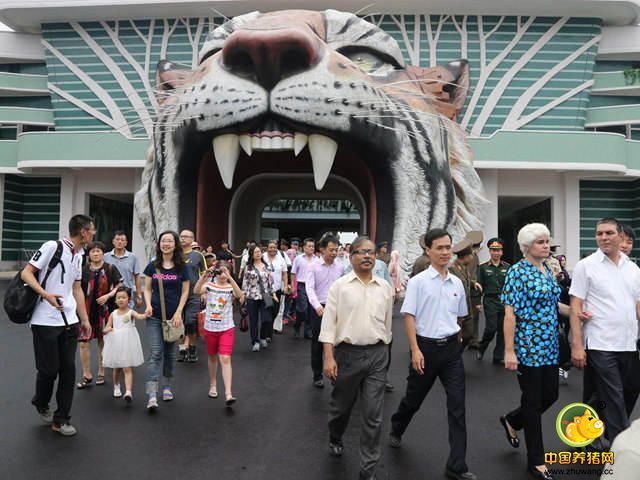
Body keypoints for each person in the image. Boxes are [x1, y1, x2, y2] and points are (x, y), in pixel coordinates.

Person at [389, 228, 476, 480]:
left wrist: (455, 336)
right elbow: (409, 316)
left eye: (448, 247)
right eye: (439, 248)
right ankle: (397, 427)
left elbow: (461, 314)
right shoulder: (418, 282)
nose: (445, 252)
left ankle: (456, 465)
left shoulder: (457, 282)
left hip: (451, 352)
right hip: (425, 350)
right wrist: (415, 350)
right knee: (413, 400)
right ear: (428, 250)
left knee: (457, 407)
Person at [319, 236, 393, 480]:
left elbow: (388, 326)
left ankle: (368, 469)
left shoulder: (385, 287)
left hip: (377, 356)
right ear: (350, 255)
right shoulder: (340, 287)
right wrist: (329, 358)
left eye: (371, 252)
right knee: (341, 408)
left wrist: (385, 352)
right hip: (347, 355)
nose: (367, 256)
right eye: (361, 252)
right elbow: (328, 325)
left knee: (373, 414)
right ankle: (335, 435)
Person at [21, 214, 94, 436]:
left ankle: (61, 419)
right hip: (45, 321)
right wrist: (46, 294)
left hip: (69, 322)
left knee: (69, 370)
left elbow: (77, 289)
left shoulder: (80, 255)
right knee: (48, 370)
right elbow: (27, 272)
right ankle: (41, 401)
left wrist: (84, 319)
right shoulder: (52, 247)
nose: (93, 234)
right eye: (92, 230)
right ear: (83, 231)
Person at [501, 223, 563, 480]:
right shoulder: (517, 271)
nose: (546, 246)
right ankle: (536, 461)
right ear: (527, 246)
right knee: (534, 401)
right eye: (541, 242)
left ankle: (513, 421)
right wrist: (509, 350)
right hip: (528, 346)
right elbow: (509, 314)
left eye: (547, 241)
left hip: (550, 346)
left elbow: (553, 304)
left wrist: (576, 313)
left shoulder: (547, 269)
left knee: (551, 395)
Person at [570, 218, 640, 444]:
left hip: (629, 343)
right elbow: (575, 306)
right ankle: (622, 452)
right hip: (600, 343)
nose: (603, 237)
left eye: (609, 233)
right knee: (614, 396)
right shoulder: (586, 266)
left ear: (620, 236)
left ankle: (589, 433)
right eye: (599, 233)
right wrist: (577, 345)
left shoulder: (632, 268)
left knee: (630, 390)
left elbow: (637, 306)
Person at [143, 230, 190, 411]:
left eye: (170, 241)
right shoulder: (152, 266)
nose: (166, 244)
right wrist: (148, 305)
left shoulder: (182, 267)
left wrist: (179, 312)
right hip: (155, 316)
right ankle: (152, 394)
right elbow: (147, 288)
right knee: (156, 353)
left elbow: (186, 291)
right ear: (159, 244)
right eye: (163, 241)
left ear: (175, 244)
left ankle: (167, 386)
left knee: (170, 354)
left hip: (174, 318)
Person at [194, 263, 244, 406]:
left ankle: (228, 393)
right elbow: (196, 290)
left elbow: (239, 295)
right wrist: (204, 276)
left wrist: (230, 278)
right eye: (220, 271)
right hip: (210, 327)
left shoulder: (230, 287)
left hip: (227, 327)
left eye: (225, 271)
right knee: (212, 357)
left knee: (225, 358)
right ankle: (213, 384)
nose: (222, 274)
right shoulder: (210, 285)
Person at [77, 241, 123, 389]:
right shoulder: (82, 270)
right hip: (85, 311)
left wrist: (109, 295)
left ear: (103, 253)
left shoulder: (110, 268)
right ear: (88, 254)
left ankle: (101, 371)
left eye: (98, 251)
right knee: (84, 342)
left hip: (104, 311)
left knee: (102, 342)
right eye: (92, 251)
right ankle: (86, 374)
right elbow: (76, 289)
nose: (95, 253)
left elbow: (120, 285)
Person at [306, 235, 344, 389]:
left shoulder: (340, 266)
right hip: (319, 309)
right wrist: (317, 306)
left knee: (338, 342)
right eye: (331, 250)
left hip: (337, 309)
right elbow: (309, 288)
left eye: (336, 250)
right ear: (322, 249)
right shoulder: (313, 266)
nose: (334, 253)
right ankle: (317, 375)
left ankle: (336, 374)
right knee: (318, 343)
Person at [101, 286, 146, 403]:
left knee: (127, 367)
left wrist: (146, 314)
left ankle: (128, 392)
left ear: (129, 300)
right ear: (115, 300)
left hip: (127, 342)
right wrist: (107, 329)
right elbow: (107, 326)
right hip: (116, 342)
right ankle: (116, 386)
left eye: (123, 297)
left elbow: (140, 316)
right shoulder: (113, 314)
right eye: (118, 298)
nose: (121, 300)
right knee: (117, 368)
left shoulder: (131, 312)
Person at [475, 238, 510, 365]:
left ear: (502, 252)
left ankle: (498, 356)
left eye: (498, 250)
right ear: (490, 251)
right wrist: (478, 302)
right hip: (490, 300)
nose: (496, 253)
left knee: (502, 330)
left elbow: (511, 286)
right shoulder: (483, 268)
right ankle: (482, 346)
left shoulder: (507, 267)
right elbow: (478, 286)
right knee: (491, 328)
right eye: (493, 250)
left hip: (504, 301)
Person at [177, 229, 207, 363]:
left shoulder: (198, 256)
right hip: (176, 294)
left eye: (186, 237)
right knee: (178, 323)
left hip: (193, 294)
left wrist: (204, 292)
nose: (183, 239)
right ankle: (182, 349)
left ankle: (192, 348)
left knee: (190, 321)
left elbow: (204, 275)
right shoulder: (174, 254)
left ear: (192, 239)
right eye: (181, 236)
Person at [242, 244, 278, 352]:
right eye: (255, 252)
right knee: (253, 321)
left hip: (264, 297)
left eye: (259, 252)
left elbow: (270, 282)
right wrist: (243, 295)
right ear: (251, 255)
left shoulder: (267, 266)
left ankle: (262, 337)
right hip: (252, 297)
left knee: (266, 319)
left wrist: (274, 294)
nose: (258, 254)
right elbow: (245, 283)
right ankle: (255, 341)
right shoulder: (248, 267)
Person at [449, 239, 479, 348]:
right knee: (457, 338)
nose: (473, 257)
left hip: (466, 308)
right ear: (465, 256)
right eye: (471, 255)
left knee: (469, 334)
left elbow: (465, 281)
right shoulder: (452, 269)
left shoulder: (463, 268)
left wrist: (472, 283)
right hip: (457, 311)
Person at [104, 230, 143, 308]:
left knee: (126, 319)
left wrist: (139, 295)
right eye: (117, 239)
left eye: (122, 240)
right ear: (113, 241)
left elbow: (137, 276)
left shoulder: (133, 257)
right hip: (109, 296)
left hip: (127, 296)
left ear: (126, 243)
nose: (119, 242)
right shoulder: (105, 257)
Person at [291, 238, 318, 339]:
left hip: (313, 287)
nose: (311, 248)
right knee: (303, 309)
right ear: (304, 247)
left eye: (313, 246)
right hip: (301, 285)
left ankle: (308, 331)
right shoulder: (298, 258)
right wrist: (293, 286)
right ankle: (297, 325)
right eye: (309, 246)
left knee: (311, 310)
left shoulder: (317, 260)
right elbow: (293, 273)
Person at [263, 239, 289, 337]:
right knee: (267, 310)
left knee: (275, 311)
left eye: (274, 247)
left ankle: (268, 329)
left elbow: (285, 274)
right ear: (267, 248)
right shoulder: (262, 257)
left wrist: (286, 286)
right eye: (270, 247)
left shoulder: (281, 259)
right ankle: (266, 333)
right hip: (265, 290)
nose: (272, 249)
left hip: (277, 290)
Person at [465, 231, 483, 347]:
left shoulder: (471, 256)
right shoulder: (473, 257)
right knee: (473, 316)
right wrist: (474, 283)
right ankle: (472, 339)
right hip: (472, 290)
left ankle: (473, 339)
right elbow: (470, 274)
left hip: (470, 288)